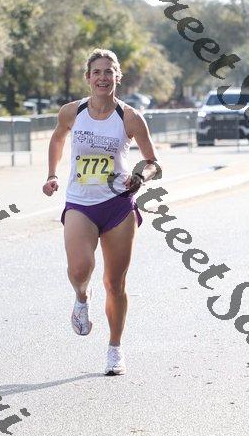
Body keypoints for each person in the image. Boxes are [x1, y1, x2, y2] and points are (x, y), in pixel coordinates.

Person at [42, 48, 162, 375]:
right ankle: (81, 298)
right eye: (97, 72)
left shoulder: (130, 117)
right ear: (88, 77)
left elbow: (153, 162)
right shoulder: (72, 112)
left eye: (109, 72)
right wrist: (52, 174)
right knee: (79, 269)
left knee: (115, 283)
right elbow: (57, 140)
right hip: (80, 202)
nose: (103, 77)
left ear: (117, 77)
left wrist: (140, 177)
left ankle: (115, 349)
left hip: (118, 206)